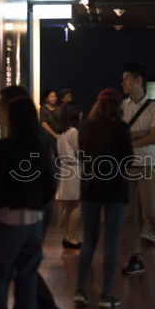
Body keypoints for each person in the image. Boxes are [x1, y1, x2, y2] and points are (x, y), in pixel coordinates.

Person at [0, 95, 57, 309]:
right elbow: (50, 184)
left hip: (8, 219)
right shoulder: (39, 146)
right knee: (26, 275)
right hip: (34, 220)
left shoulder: (4, 148)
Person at [0, 87, 63, 309]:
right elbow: (53, 176)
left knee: (21, 265)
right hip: (37, 208)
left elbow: (46, 177)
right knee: (24, 264)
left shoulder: (26, 139)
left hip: (30, 210)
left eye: (1, 105)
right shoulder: (37, 136)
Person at [75, 88, 133, 308]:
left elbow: (81, 153)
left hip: (90, 188)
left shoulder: (86, 127)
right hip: (115, 189)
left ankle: (80, 290)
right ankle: (106, 294)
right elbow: (128, 158)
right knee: (111, 243)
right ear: (118, 106)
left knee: (89, 241)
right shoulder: (122, 128)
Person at [120, 63, 155, 275]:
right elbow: (122, 136)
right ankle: (135, 257)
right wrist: (141, 134)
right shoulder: (122, 107)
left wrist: (129, 138)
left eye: (126, 79)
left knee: (151, 212)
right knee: (129, 215)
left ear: (138, 80)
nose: (122, 83)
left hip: (148, 165)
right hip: (126, 165)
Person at [57, 105, 83, 250]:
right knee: (78, 204)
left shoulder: (61, 132)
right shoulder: (73, 131)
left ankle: (66, 236)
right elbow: (80, 151)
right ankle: (71, 237)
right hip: (75, 169)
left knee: (67, 206)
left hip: (65, 169)